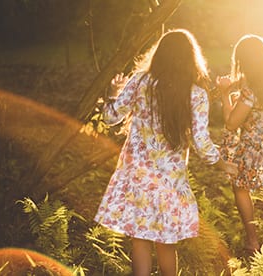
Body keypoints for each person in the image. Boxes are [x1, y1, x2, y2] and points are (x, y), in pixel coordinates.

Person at [94, 29, 238, 276]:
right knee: (166, 241)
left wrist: (113, 93)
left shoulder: (140, 82)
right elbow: (202, 142)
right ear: (191, 59)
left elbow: (110, 117)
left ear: (159, 55)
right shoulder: (196, 94)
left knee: (140, 238)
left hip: (136, 175)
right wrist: (223, 164)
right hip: (169, 181)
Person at [216, 34, 263, 255]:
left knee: (240, 187)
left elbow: (231, 123)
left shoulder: (250, 91)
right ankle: (260, 232)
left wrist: (224, 94)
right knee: (252, 184)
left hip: (256, 144)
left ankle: (252, 241)